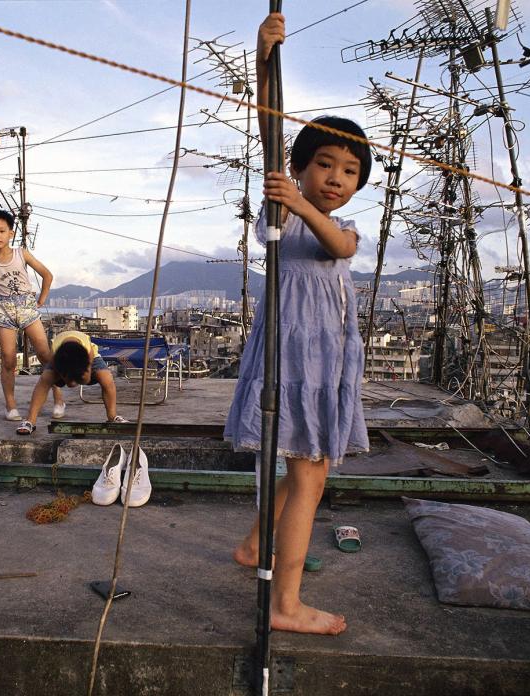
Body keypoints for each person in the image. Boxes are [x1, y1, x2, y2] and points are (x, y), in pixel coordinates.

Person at [224, 12, 372, 637]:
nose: (336, 177)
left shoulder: (328, 222)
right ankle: (285, 603)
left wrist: (304, 203)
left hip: (325, 358)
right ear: (302, 165)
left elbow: (339, 246)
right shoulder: (283, 203)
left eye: (350, 170)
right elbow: (269, 125)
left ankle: (258, 546)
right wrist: (264, 59)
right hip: (296, 357)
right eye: (325, 164)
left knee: (306, 465)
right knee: (308, 472)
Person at [0, 210, 64, 422]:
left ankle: (58, 397)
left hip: (27, 307)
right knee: (8, 359)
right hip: (3, 311)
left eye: (1, 231)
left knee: (45, 355)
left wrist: (42, 299)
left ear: (11, 233)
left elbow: (47, 274)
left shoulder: (21, 253)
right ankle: (10, 405)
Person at [15, 329, 128, 434]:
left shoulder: (88, 352)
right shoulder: (55, 355)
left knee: (107, 377)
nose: (71, 385)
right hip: (62, 358)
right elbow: (58, 375)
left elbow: (87, 379)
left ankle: (112, 416)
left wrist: (79, 377)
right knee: (45, 379)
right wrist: (65, 378)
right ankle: (30, 420)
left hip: (86, 358)